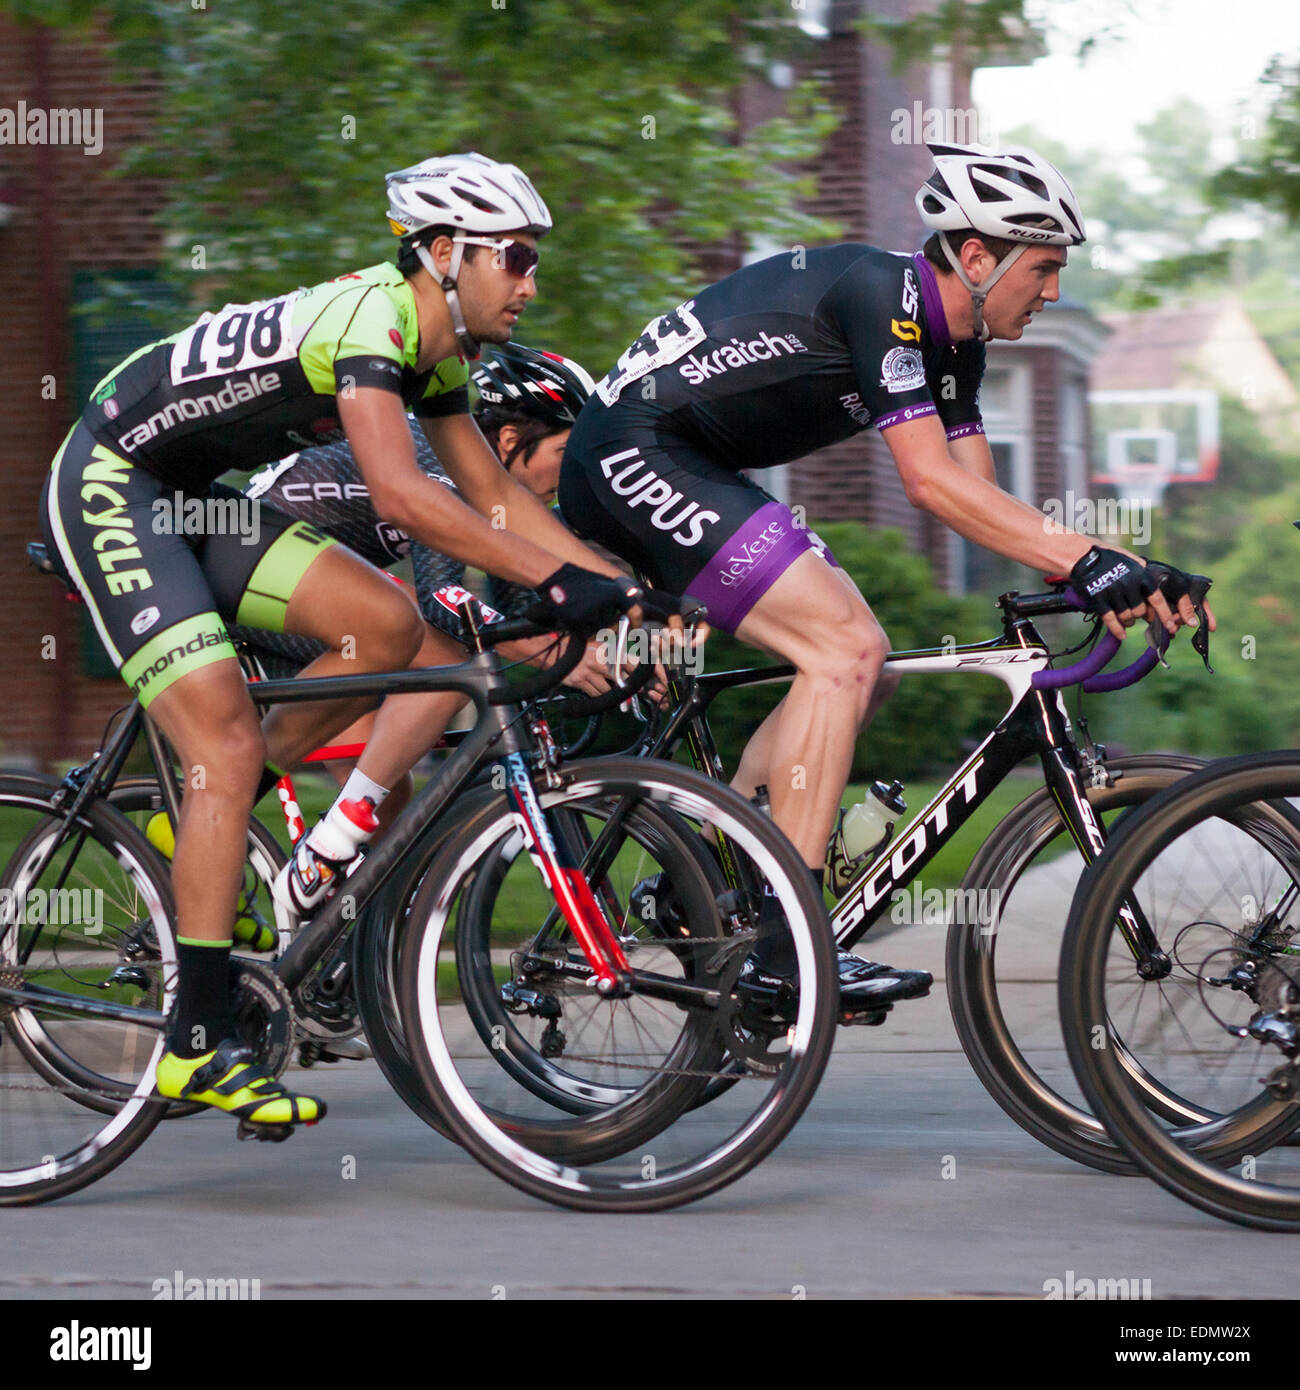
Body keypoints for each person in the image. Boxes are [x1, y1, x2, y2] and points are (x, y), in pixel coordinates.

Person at [40, 152, 641, 1137]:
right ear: (445, 254)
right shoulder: (376, 321)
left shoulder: (440, 357)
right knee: (226, 747)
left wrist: (617, 587)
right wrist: (553, 580)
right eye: (516, 259)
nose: (531, 284)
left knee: (391, 626)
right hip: (114, 483)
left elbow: (492, 498)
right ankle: (194, 1044)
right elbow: (407, 497)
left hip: (197, 501)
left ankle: (191, 829)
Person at [558, 140, 1214, 1021]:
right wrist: (1088, 563)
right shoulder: (885, 296)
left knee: (854, 673)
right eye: (1045, 268)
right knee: (846, 647)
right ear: (976, 257)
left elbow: (979, 499)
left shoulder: (959, 344)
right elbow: (929, 482)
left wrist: (1128, 571)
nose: (1053, 292)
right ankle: (791, 949)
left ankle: (723, 894)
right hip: (635, 447)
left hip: (693, 459)